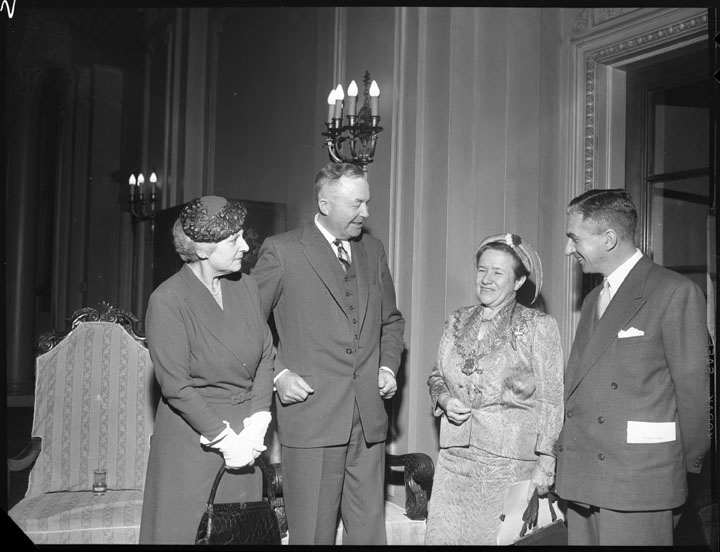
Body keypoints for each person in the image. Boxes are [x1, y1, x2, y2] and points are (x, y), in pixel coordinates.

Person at [251, 162, 405, 545]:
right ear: (325, 204)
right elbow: (247, 324)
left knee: (369, 537)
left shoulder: (373, 250)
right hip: (312, 418)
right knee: (312, 536)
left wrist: (388, 367)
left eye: (367, 202)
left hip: (368, 422)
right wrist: (279, 374)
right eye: (356, 204)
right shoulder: (282, 251)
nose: (365, 213)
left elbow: (391, 321)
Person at [555, 188, 710, 546]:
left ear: (608, 239)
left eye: (574, 238)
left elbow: (694, 400)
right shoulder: (594, 298)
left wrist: (679, 471)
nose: (567, 249)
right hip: (582, 480)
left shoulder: (674, 291)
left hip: (639, 485)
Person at [140, 196, 275, 544]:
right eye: (234, 240)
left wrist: (259, 420)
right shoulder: (168, 300)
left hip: (246, 440)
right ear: (202, 249)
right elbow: (175, 386)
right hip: (196, 443)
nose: (245, 247)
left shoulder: (246, 287)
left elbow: (266, 354)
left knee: (242, 533)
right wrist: (224, 439)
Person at [425, 233, 564, 545]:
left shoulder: (538, 326)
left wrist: (546, 463)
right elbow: (437, 376)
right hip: (454, 459)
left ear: (518, 281)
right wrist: (445, 400)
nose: (486, 279)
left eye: (498, 273)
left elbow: (552, 400)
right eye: (482, 270)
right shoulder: (458, 319)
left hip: (507, 464)